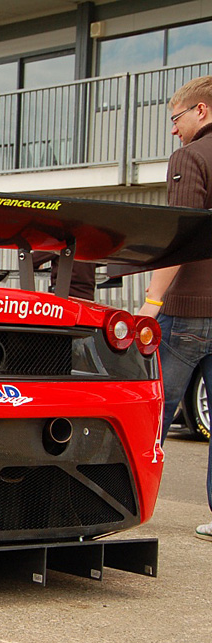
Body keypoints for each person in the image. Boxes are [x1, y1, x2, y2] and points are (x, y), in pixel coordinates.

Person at [136, 76, 212, 542]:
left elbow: (178, 242)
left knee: (151, 413)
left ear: (201, 112)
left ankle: (124, 502)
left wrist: (149, 305)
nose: (173, 131)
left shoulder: (190, 157)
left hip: (188, 311)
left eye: (176, 118)